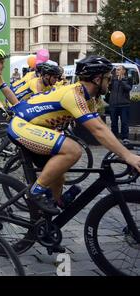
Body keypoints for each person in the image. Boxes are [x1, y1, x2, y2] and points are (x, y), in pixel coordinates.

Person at [8, 56, 140, 216]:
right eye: (108, 78)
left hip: (35, 125)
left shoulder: (87, 97)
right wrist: (127, 156)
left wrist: (121, 151)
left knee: (59, 176)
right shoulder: (74, 95)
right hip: (22, 125)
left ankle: (53, 207)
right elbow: (97, 130)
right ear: (98, 79)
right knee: (73, 150)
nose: (110, 81)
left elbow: (101, 127)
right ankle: (35, 192)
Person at [108, 65, 133, 144]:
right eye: (116, 70)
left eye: (118, 69)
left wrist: (121, 81)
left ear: (123, 71)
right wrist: (110, 80)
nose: (117, 71)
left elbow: (128, 88)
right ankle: (114, 137)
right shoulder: (113, 79)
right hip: (113, 104)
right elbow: (109, 88)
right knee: (114, 122)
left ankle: (125, 138)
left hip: (124, 105)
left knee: (124, 122)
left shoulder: (128, 79)